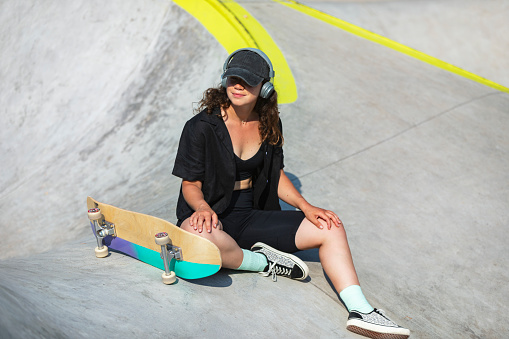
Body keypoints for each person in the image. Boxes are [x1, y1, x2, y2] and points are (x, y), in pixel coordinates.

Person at [172, 48, 410, 339]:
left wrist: (306, 207)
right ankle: (262, 261)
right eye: (233, 78)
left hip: (251, 216)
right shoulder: (201, 127)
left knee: (329, 226)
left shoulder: (269, 122)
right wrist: (202, 208)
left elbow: (276, 175)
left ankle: (361, 311)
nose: (238, 86)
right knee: (199, 242)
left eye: (247, 81)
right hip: (209, 217)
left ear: (264, 86)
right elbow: (190, 184)